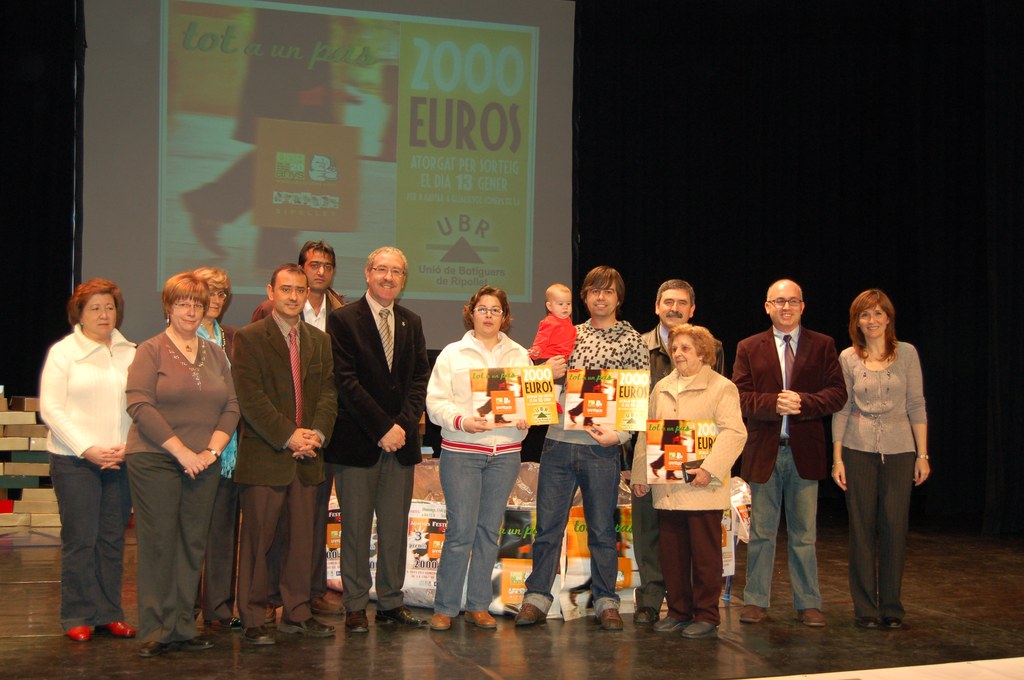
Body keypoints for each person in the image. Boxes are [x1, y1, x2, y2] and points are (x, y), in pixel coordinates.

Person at [515, 265, 647, 631]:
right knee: (548, 528)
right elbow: (538, 384)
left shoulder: (632, 340)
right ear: (585, 297)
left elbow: (638, 398)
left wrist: (620, 436)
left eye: (608, 291)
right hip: (557, 444)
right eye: (594, 291)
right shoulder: (568, 333)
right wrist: (545, 370)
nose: (600, 297)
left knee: (602, 530)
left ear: (618, 298)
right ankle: (536, 597)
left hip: (601, 450)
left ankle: (606, 600)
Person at [124, 272, 240, 657]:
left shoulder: (216, 354)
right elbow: (139, 404)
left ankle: (182, 627)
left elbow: (232, 406)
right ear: (168, 307)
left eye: (197, 304)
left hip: (204, 463)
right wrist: (182, 452)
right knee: (159, 544)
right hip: (155, 459)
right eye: (182, 303)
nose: (191, 311)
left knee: (192, 543)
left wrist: (210, 453)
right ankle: (155, 629)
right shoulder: (150, 350)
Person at [325, 247, 430, 632]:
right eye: (382, 270)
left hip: (400, 445)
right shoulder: (342, 319)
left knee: (394, 529)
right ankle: (355, 605)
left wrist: (401, 426)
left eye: (396, 271)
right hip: (357, 444)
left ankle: (390, 602)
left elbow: (419, 379)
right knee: (354, 529)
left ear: (403, 279)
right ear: (368, 273)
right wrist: (381, 428)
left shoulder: (411, 321)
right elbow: (345, 381)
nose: (389, 277)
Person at [233, 264, 339, 645]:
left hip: (308, 456)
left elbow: (328, 393)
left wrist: (316, 435)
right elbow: (251, 398)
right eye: (286, 289)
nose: (293, 296)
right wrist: (289, 436)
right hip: (266, 455)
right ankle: (253, 615)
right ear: (271, 292)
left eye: (300, 290)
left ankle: (297, 612)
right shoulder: (249, 338)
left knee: (302, 542)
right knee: (259, 541)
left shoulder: (319, 340)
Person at [732, 279, 846, 627]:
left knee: (804, 534)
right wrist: (774, 404)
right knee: (761, 532)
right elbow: (739, 396)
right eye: (779, 301)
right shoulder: (749, 347)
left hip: (805, 453)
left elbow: (837, 393)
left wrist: (803, 403)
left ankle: (808, 602)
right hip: (764, 452)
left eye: (792, 301)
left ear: (802, 306)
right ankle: (755, 600)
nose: (786, 307)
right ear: (767, 307)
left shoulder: (823, 345)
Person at [425, 286, 538, 631]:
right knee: (461, 530)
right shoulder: (452, 354)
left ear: (505, 316)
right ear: (471, 313)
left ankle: (478, 605)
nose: (489, 315)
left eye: (495, 309)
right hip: (462, 453)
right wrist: (462, 421)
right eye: (482, 309)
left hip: (505, 455)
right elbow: (435, 403)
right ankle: (445, 607)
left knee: (489, 532)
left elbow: (534, 403)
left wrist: (528, 417)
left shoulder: (520, 355)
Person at [632, 324, 746, 638]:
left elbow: (735, 433)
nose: (678, 353)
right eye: (675, 348)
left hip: (702, 487)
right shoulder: (661, 387)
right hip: (668, 488)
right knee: (673, 556)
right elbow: (647, 432)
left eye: (686, 348)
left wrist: (710, 469)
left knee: (706, 557)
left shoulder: (722, 387)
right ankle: (679, 612)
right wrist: (641, 475)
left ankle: (707, 615)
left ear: (703, 353)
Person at [39, 279, 137, 643]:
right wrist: (86, 448)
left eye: (109, 307)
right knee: (80, 539)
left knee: (111, 539)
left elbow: (140, 406)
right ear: (79, 313)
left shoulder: (131, 352)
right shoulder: (63, 353)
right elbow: (51, 409)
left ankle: (109, 613)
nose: (103, 314)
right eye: (94, 308)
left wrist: (127, 446)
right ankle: (77, 615)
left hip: (120, 459)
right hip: (74, 461)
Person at [252, 240, 346, 618]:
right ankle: (269, 596)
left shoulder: (342, 312)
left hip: (320, 435)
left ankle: (309, 592)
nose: (320, 271)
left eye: (327, 266)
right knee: (272, 526)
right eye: (313, 265)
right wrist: (289, 434)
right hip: (276, 439)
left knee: (313, 520)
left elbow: (331, 384)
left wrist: (316, 433)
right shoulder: (268, 313)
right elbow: (260, 381)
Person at [831, 289, 929, 630]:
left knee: (894, 526)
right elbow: (842, 409)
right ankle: (865, 608)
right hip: (857, 450)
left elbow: (916, 404)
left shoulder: (907, 354)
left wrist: (922, 454)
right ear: (856, 322)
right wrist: (837, 458)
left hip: (900, 450)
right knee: (861, 528)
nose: (871, 320)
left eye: (877, 313)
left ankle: (891, 606)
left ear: (888, 318)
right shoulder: (848, 357)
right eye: (864, 315)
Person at [631, 279, 724, 625]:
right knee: (656, 536)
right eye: (668, 302)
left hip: (696, 465)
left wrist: (709, 464)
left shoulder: (713, 350)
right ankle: (653, 600)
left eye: (682, 303)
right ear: (656, 306)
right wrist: (639, 468)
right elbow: (639, 416)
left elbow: (720, 417)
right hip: (653, 460)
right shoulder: (638, 346)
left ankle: (698, 611)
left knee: (696, 543)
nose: (674, 308)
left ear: (692, 310)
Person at [192, 267, 242, 631]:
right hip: (190, 449)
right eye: (210, 292)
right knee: (189, 535)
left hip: (228, 452)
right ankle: (184, 606)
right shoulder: (177, 339)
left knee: (223, 533)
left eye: (222, 293)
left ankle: (219, 608)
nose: (216, 300)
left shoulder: (233, 338)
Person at [528, 283, 576, 363]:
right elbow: (542, 338)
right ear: (549, 306)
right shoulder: (549, 322)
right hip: (547, 359)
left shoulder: (568, 322)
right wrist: (536, 350)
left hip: (562, 360)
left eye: (568, 303)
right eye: (560, 304)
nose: (565, 307)